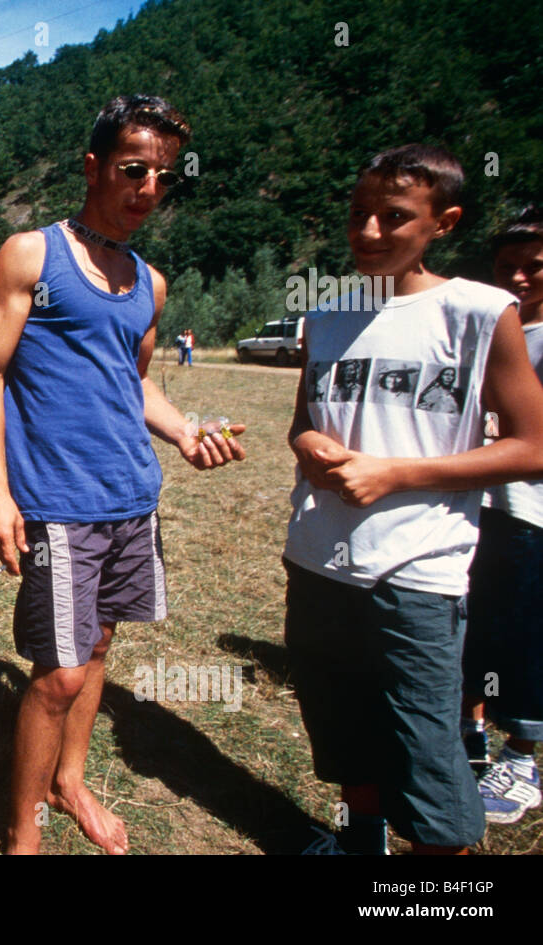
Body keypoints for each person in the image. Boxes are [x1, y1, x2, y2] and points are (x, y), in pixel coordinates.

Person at [0, 94, 246, 855]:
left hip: (130, 499)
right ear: (93, 166)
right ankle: (24, 826)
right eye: (133, 170)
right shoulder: (32, 254)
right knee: (57, 673)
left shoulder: (148, 283)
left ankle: (71, 779)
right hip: (57, 501)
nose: (149, 189)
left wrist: (186, 430)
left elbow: (135, 382)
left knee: (96, 652)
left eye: (163, 177)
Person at [284, 146, 543, 855]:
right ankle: (359, 837)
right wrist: (307, 443)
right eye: (357, 214)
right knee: (339, 718)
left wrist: (394, 475)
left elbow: (532, 445)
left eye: (394, 217)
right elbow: (303, 421)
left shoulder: (481, 313)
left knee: (424, 736)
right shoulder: (329, 317)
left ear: (444, 221)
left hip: (417, 568)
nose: (368, 232)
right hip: (316, 558)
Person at [461, 205, 543, 824]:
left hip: (530, 512)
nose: (517, 278)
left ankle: (523, 756)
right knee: (479, 624)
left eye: (533, 268)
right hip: (480, 505)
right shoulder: (493, 329)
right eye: (506, 266)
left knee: (523, 636)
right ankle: (473, 731)